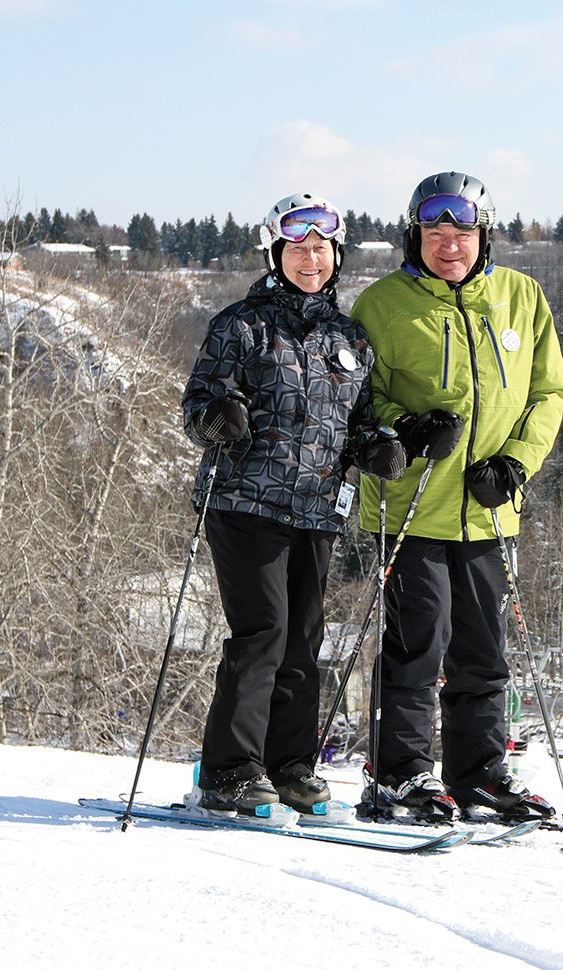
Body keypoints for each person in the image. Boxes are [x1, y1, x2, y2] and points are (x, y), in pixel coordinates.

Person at [351, 172, 563, 822]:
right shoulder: (383, 304)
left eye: (463, 232)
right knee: (420, 644)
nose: (450, 245)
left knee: (484, 651)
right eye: (435, 232)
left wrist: (515, 464)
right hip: (412, 506)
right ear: (413, 235)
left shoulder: (520, 298)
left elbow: (549, 393)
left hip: (487, 509)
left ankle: (479, 776)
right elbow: (360, 398)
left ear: (484, 236)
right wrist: (407, 427)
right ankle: (402, 777)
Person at [181, 193, 406, 815]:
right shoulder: (242, 325)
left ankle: (289, 765)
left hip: (317, 509)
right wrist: (218, 419)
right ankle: (230, 769)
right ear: (275, 253)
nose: (312, 258)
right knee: (263, 633)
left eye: (322, 248)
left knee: (304, 640)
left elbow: (359, 420)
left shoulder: (349, 338)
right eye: (298, 247)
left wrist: (378, 448)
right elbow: (197, 409)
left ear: (337, 255)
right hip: (245, 501)